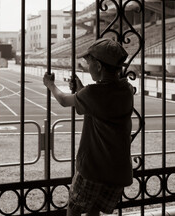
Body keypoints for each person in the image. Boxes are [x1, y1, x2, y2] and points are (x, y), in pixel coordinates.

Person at [43, 38, 134, 216]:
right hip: (117, 169)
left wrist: (50, 84)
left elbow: (63, 100)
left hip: (93, 168)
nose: (87, 67)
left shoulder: (93, 93)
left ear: (99, 66)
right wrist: (81, 89)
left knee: (74, 210)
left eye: (89, 62)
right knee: (94, 210)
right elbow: (100, 107)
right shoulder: (126, 89)